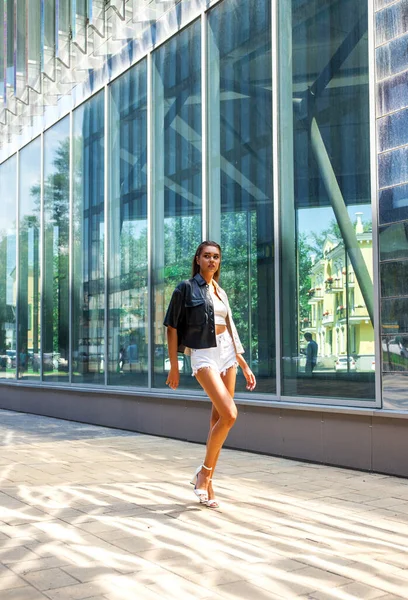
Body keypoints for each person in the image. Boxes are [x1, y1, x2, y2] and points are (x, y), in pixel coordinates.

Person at [164, 241, 256, 508]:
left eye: (216, 256)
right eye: (207, 256)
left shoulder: (220, 291)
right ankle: (203, 473)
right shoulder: (185, 288)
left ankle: (208, 483)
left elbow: (230, 327)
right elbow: (171, 327)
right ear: (198, 259)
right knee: (230, 414)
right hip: (203, 353)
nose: (212, 260)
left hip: (228, 354)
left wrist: (243, 362)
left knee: (218, 419)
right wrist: (173, 365)